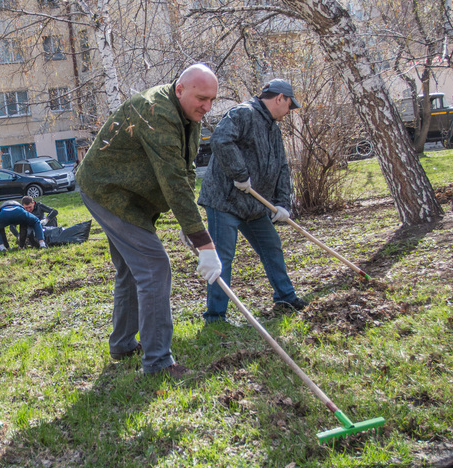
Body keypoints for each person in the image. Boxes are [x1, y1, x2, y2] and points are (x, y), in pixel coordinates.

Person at [75, 63, 222, 379]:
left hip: (131, 195)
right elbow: (171, 178)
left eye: (212, 100)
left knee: (133, 268)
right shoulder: (155, 111)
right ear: (180, 89)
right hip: (109, 192)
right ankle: (158, 363)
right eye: (202, 98)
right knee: (154, 266)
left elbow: (184, 172)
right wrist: (202, 240)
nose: (207, 107)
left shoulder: (187, 115)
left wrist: (190, 225)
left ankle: (124, 345)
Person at [198, 78, 308, 324]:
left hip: (255, 206)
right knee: (222, 258)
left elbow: (281, 166)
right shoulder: (243, 113)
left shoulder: (272, 127)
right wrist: (240, 174)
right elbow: (220, 140)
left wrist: (282, 204)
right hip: (224, 202)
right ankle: (215, 316)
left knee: (271, 247)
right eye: (290, 105)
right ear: (280, 98)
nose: (289, 111)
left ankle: (285, 297)